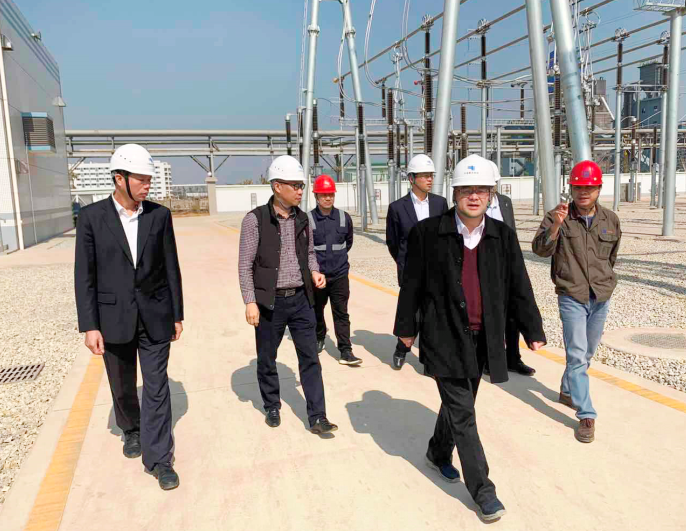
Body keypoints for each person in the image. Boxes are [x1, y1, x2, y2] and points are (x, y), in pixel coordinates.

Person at [394, 154, 546, 522]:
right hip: (443, 335)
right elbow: (411, 286)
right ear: (455, 193)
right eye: (466, 190)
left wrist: (532, 329)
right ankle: (483, 491)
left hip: (484, 338)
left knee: (459, 404)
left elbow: (519, 285)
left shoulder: (502, 236)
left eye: (481, 190)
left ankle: (437, 452)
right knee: (464, 413)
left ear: (491, 194)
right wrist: (406, 331)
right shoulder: (427, 234)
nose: (474, 196)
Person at [74, 144, 184, 490]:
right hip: (113, 316)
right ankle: (132, 429)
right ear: (119, 178)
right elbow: (84, 276)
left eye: (149, 179)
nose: (148, 185)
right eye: (141, 179)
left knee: (157, 386)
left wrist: (177, 314)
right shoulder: (92, 218)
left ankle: (160, 459)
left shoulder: (159, 216)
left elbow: (171, 267)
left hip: (155, 315)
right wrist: (90, 326)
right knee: (122, 385)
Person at [238, 155, 338, 434]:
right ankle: (272, 404)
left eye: (301, 185)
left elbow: (309, 254)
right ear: (277, 186)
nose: (300, 191)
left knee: (310, 358)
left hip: (301, 300)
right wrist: (250, 301)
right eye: (295, 185)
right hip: (269, 303)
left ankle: (317, 415)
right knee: (267, 357)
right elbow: (245, 264)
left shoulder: (302, 219)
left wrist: (315, 271)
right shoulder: (255, 220)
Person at [532, 160, 621, 444]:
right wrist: (556, 227)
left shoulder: (610, 220)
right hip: (572, 295)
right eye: (578, 187)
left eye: (589, 187)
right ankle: (586, 415)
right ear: (571, 188)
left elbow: (611, 258)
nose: (583, 192)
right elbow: (540, 250)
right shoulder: (557, 215)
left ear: (598, 189)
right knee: (578, 355)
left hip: (600, 296)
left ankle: (567, 390)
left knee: (587, 352)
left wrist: (605, 282)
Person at [385, 154, 448, 370]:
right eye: (424, 175)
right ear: (411, 178)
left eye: (431, 175)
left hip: (435, 271)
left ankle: (429, 360)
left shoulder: (440, 204)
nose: (430, 179)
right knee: (410, 312)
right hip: (410, 271)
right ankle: (402, 348)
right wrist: (405, 262)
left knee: (432, 314)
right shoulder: (397, 208)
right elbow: (393, 242)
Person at [484, 160, 536, 377]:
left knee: (513, 314)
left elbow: (511, 231)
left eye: (491, 185)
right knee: (491, 314)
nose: (489, 189)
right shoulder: (475, 204)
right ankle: (490, 359)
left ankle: (513, 358)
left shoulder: (505, 202)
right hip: (485, 266)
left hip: (506, 265)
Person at [308, 174, 362, 366]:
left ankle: (346, 351)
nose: (328, 198)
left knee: (341, 313)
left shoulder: (343, 217)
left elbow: (348, 243)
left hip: (339, 275)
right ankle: (319, 336)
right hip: (318, 277)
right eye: (323, 194)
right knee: (316, 309)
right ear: (316, 196)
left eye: (330, 194)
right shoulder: (307, 219)